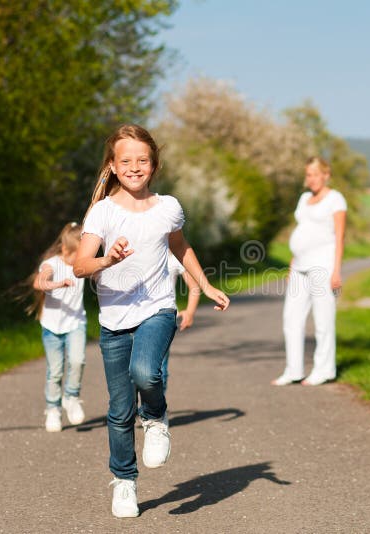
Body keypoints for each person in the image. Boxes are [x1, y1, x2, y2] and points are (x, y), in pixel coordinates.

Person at [73, 124, 230, 518]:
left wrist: (205, 285)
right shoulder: (103, 212)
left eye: (142, 160)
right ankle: (124, 482)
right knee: (119, 410)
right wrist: (107, 260)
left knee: (146, 372)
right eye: (126, 160)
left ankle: (156, 417)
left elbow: (181, 247)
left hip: (158, 308)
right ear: (112, 165)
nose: (134, 167)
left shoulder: (168, 207)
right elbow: (79, 265)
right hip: (114, 319)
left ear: (154, 165)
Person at [272, 156, 347, 387]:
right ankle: (293, 370)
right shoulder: (304, 198)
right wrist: (293, 262)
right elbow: (302, 231)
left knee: (323, 321)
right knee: (291, 319)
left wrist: (336, 271)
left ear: (326, 174)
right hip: (300, 266)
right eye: (308, 175)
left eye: (314, 174)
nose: (310, 179)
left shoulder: (336, 200)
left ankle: (324, 370)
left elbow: (340, 236)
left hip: (323, 266)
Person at [28, 222, 87, 432]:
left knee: (78, 361)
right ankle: (53, 409)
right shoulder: (52, 263)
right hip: (52, 327)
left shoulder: (82, 264)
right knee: (55, 371)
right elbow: (38, 283)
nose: (79, 261)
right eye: (77, 256)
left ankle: (71, 396)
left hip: (76, 323)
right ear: (65, 250)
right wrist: (56, 284)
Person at [162, 253, 201, 392]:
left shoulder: (176, 255)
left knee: (160, 367)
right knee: (132, 370)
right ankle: (133, 407)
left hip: (164, 318)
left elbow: (194, 287)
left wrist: (190, 312)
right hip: (135, 317)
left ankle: (157, 411)